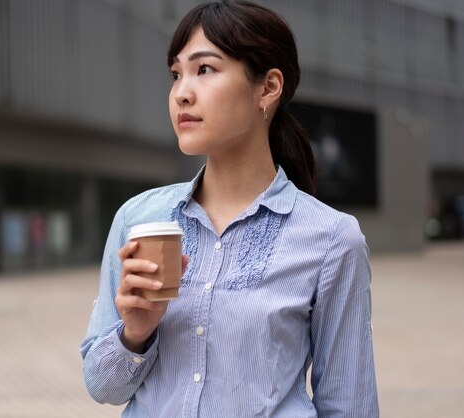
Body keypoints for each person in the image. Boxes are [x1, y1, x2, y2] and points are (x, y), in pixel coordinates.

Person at [80, 1, 379, 416]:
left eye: (204, 69)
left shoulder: (332, 241)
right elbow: (102, 387)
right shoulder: (139, 219)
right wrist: (135, 332)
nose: (182, 92)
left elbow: (350, 406)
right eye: (175, 74)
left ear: (268, 88)